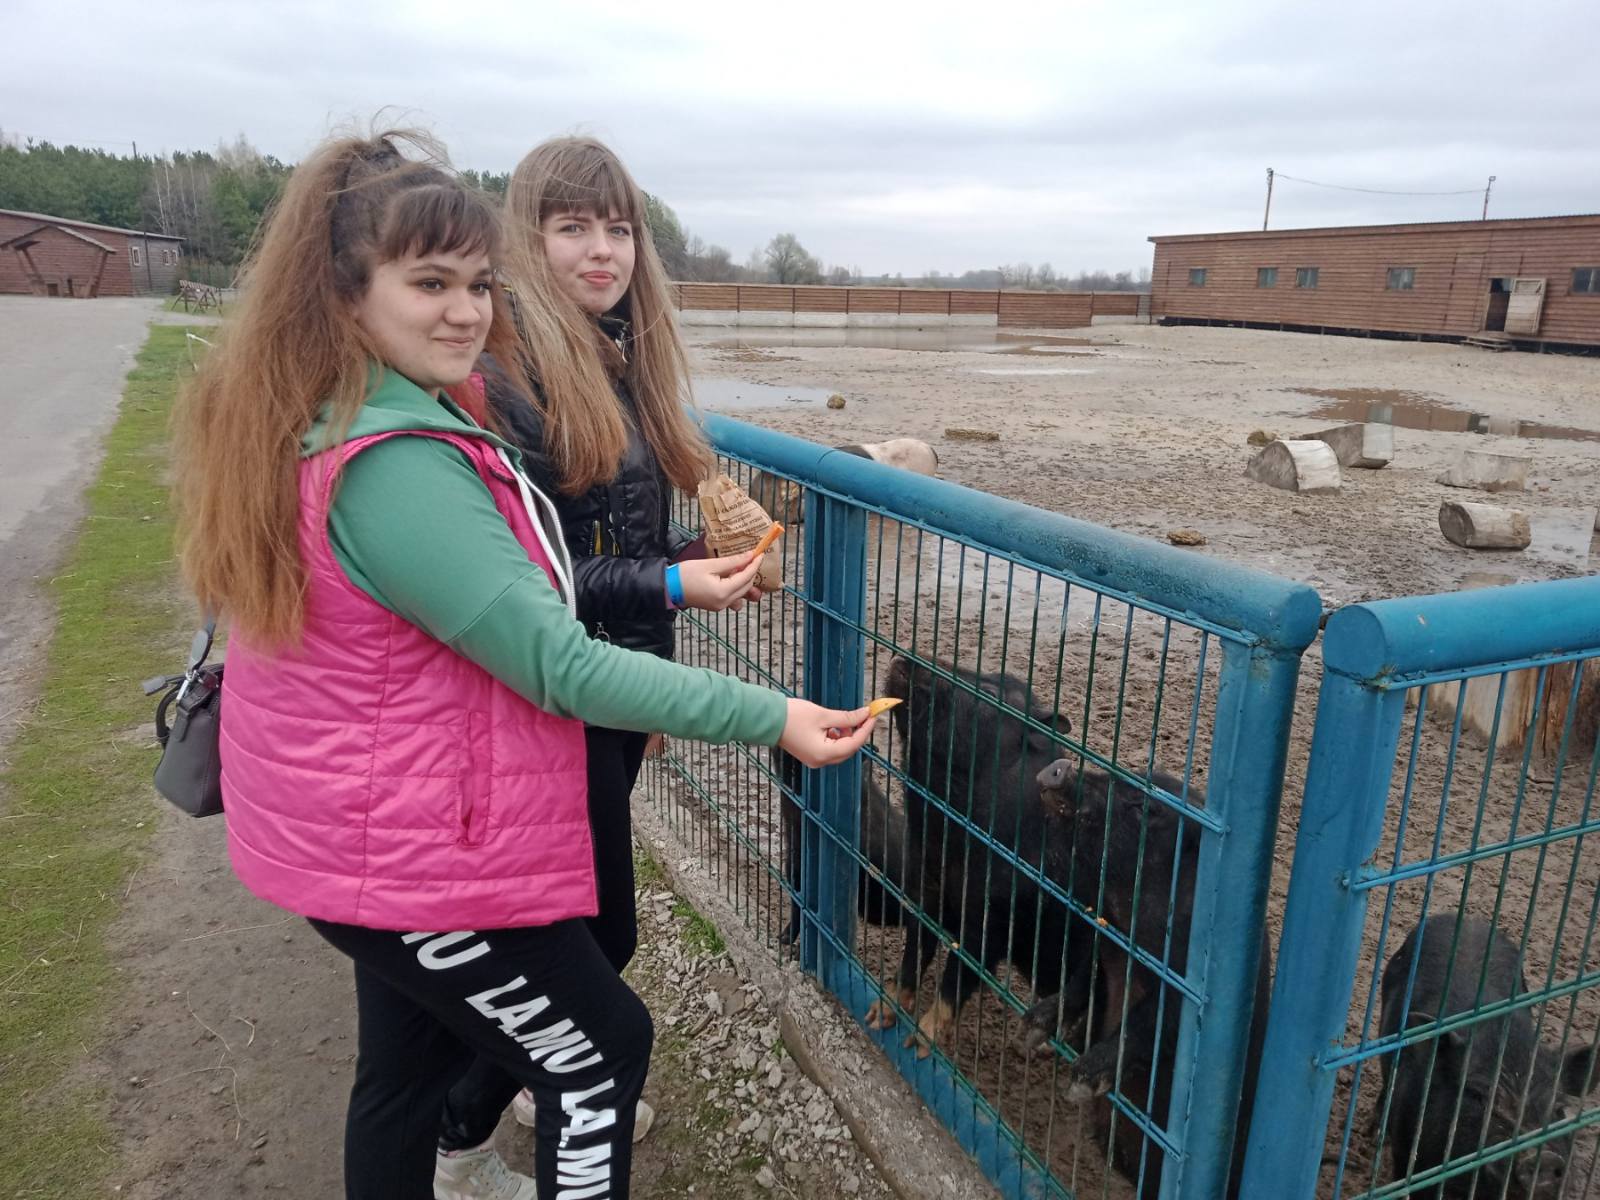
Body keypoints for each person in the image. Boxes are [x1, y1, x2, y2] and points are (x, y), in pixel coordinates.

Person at [172, 129, 875, 1200]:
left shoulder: (353, 413)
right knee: (597, 1052)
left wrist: (675, 575)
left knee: (403, 1072)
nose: (465, 313)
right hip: (404, 839)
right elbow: (555, 658)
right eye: (430, 284)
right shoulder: (397, 463)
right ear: (345, 294)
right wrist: (768, 710)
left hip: (380, 816)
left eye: (476, 284)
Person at [432, 135, 754, 1183]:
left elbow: (629, 539)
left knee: (578, 929)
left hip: (619, 690)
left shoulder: (621, 355)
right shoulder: (504, 373)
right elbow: (534, 577)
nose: (601, 248)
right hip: (553, 690)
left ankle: (494, 1095)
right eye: (572, 226)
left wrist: (708, 563)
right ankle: (479, 1105)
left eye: (617, 226)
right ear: (526, 237)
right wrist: (668, 588)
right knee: (594, 941)